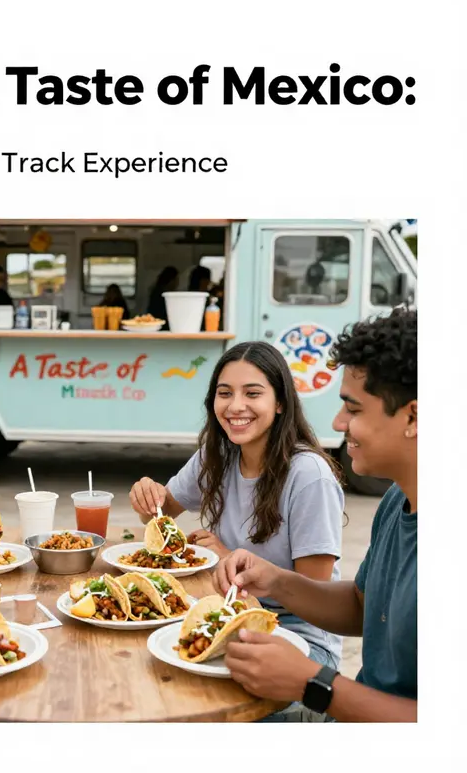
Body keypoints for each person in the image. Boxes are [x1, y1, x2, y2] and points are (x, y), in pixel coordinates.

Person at [215, 308, 417, 722]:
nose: (338, 422)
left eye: (353, 409)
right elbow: (363, 607)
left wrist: (314, 684)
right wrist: (273, 578)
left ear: (413, 416)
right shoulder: (398, 500)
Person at [129, 341, 345, 675]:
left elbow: (316, 596)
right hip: (230, 618)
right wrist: (148, 496)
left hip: (299, 640)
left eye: (253, 393)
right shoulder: (216, 456)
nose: (236, 406)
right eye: (225, 393)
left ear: (280, 403)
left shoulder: (309, 475)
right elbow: (158, 514)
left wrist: (227, 555)